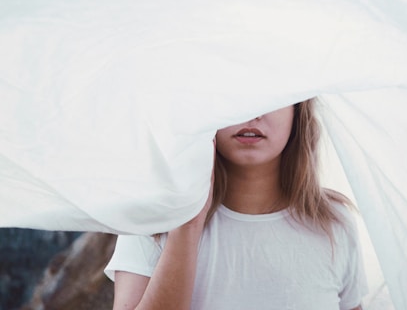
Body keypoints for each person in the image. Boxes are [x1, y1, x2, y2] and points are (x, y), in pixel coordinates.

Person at [105, 98, 367, 310]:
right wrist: (186, 227)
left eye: (271, 94)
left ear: (298, 109)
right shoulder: (152, 219)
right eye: (235, 92)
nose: (252, 112)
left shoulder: (334, 223)